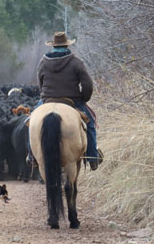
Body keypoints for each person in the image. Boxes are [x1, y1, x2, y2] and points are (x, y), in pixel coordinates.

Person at [27, 32, 101, 171]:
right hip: (71, 101)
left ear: (53, 46)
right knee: (90, 121)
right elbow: (88, 85)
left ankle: (31, 156)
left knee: (31, 121)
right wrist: (83, 98)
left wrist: (46, 96)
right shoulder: (76, 62)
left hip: (47, 100)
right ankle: (92, 157)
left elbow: (40, 84)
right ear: (67, 45)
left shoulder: (43, 62)